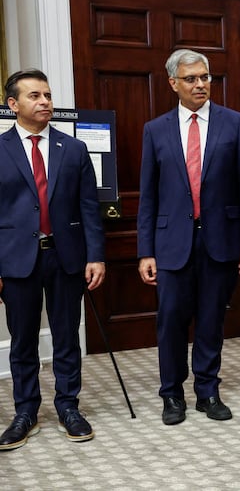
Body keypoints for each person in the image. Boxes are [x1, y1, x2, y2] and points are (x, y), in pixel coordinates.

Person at [137, 49, 240, 426]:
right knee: (171, 319)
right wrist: (146, 251)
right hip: (170, 243)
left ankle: (207, 391)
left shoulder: (234, 123)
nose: (200, 84)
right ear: (173, 83)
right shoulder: (155, 130)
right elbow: (148, 195)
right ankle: (172, 394)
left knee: (211, 319)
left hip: (221, 239)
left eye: (205, 77)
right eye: (190, 79)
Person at [0, 69, 106, 450]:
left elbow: (89, 208)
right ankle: (25, 412)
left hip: (67, 258)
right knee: (22, 341)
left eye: (47, 94)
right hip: (16, 261)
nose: (45, 101)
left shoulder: (73, 149)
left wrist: (96, 256)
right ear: (13, 105)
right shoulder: (0, 149)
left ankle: (68, 407)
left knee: (67, 337)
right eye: (34, 96)